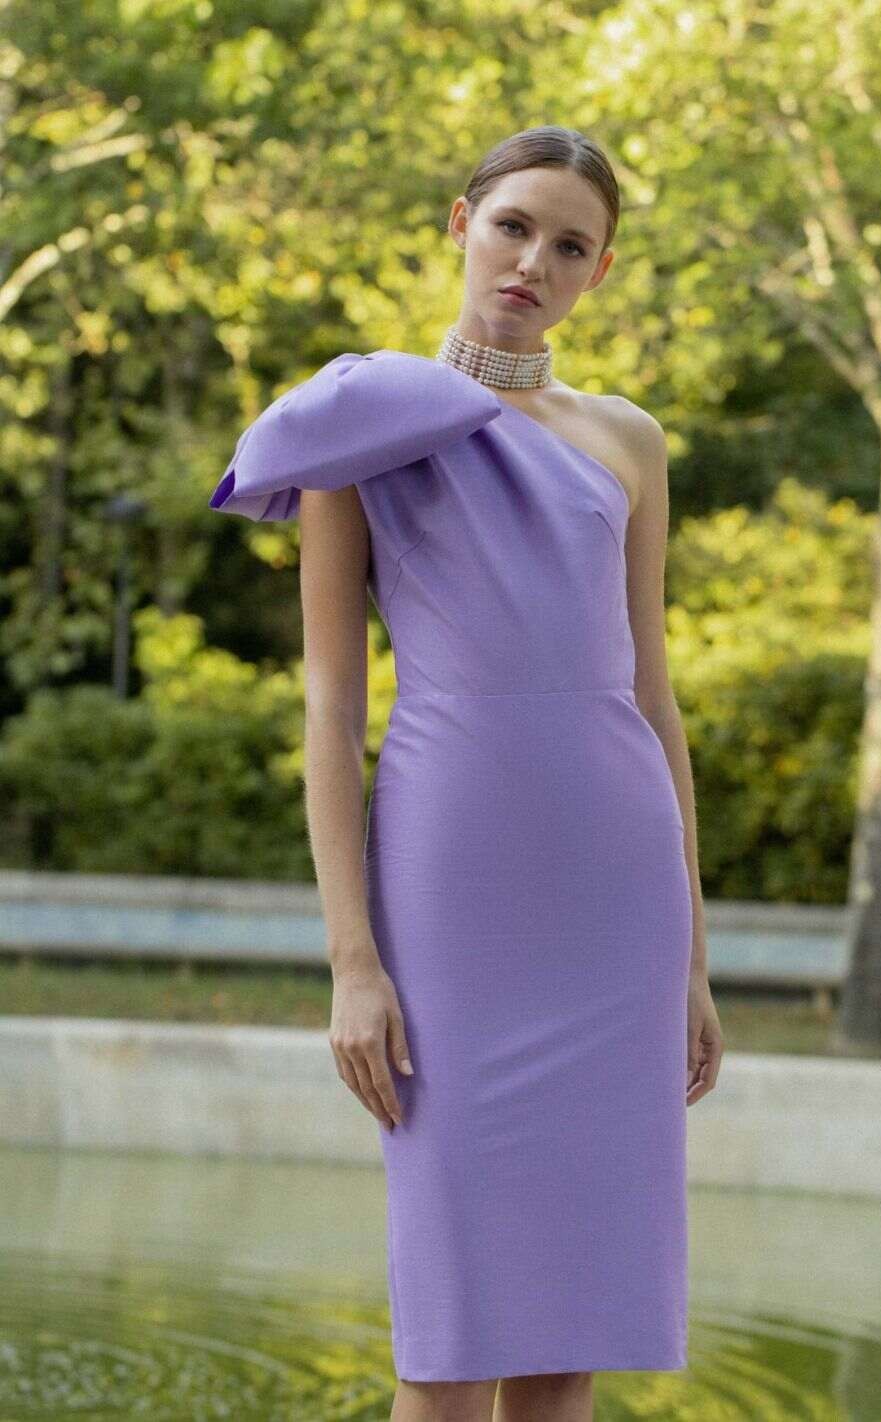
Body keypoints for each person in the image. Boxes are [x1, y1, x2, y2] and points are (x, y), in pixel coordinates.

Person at [209, 124, 723, 1422]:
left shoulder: (629, 440)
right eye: (514, 227)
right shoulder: (363, 427)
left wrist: (693, 957)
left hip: (618, 895)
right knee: (448, 1345)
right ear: (460, 223)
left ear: (600, 272)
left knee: (569, 1340)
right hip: (450, 881)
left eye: (571, 246)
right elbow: (332, 709)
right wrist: (353, 961)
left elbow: (652, 695)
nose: (533, 262)